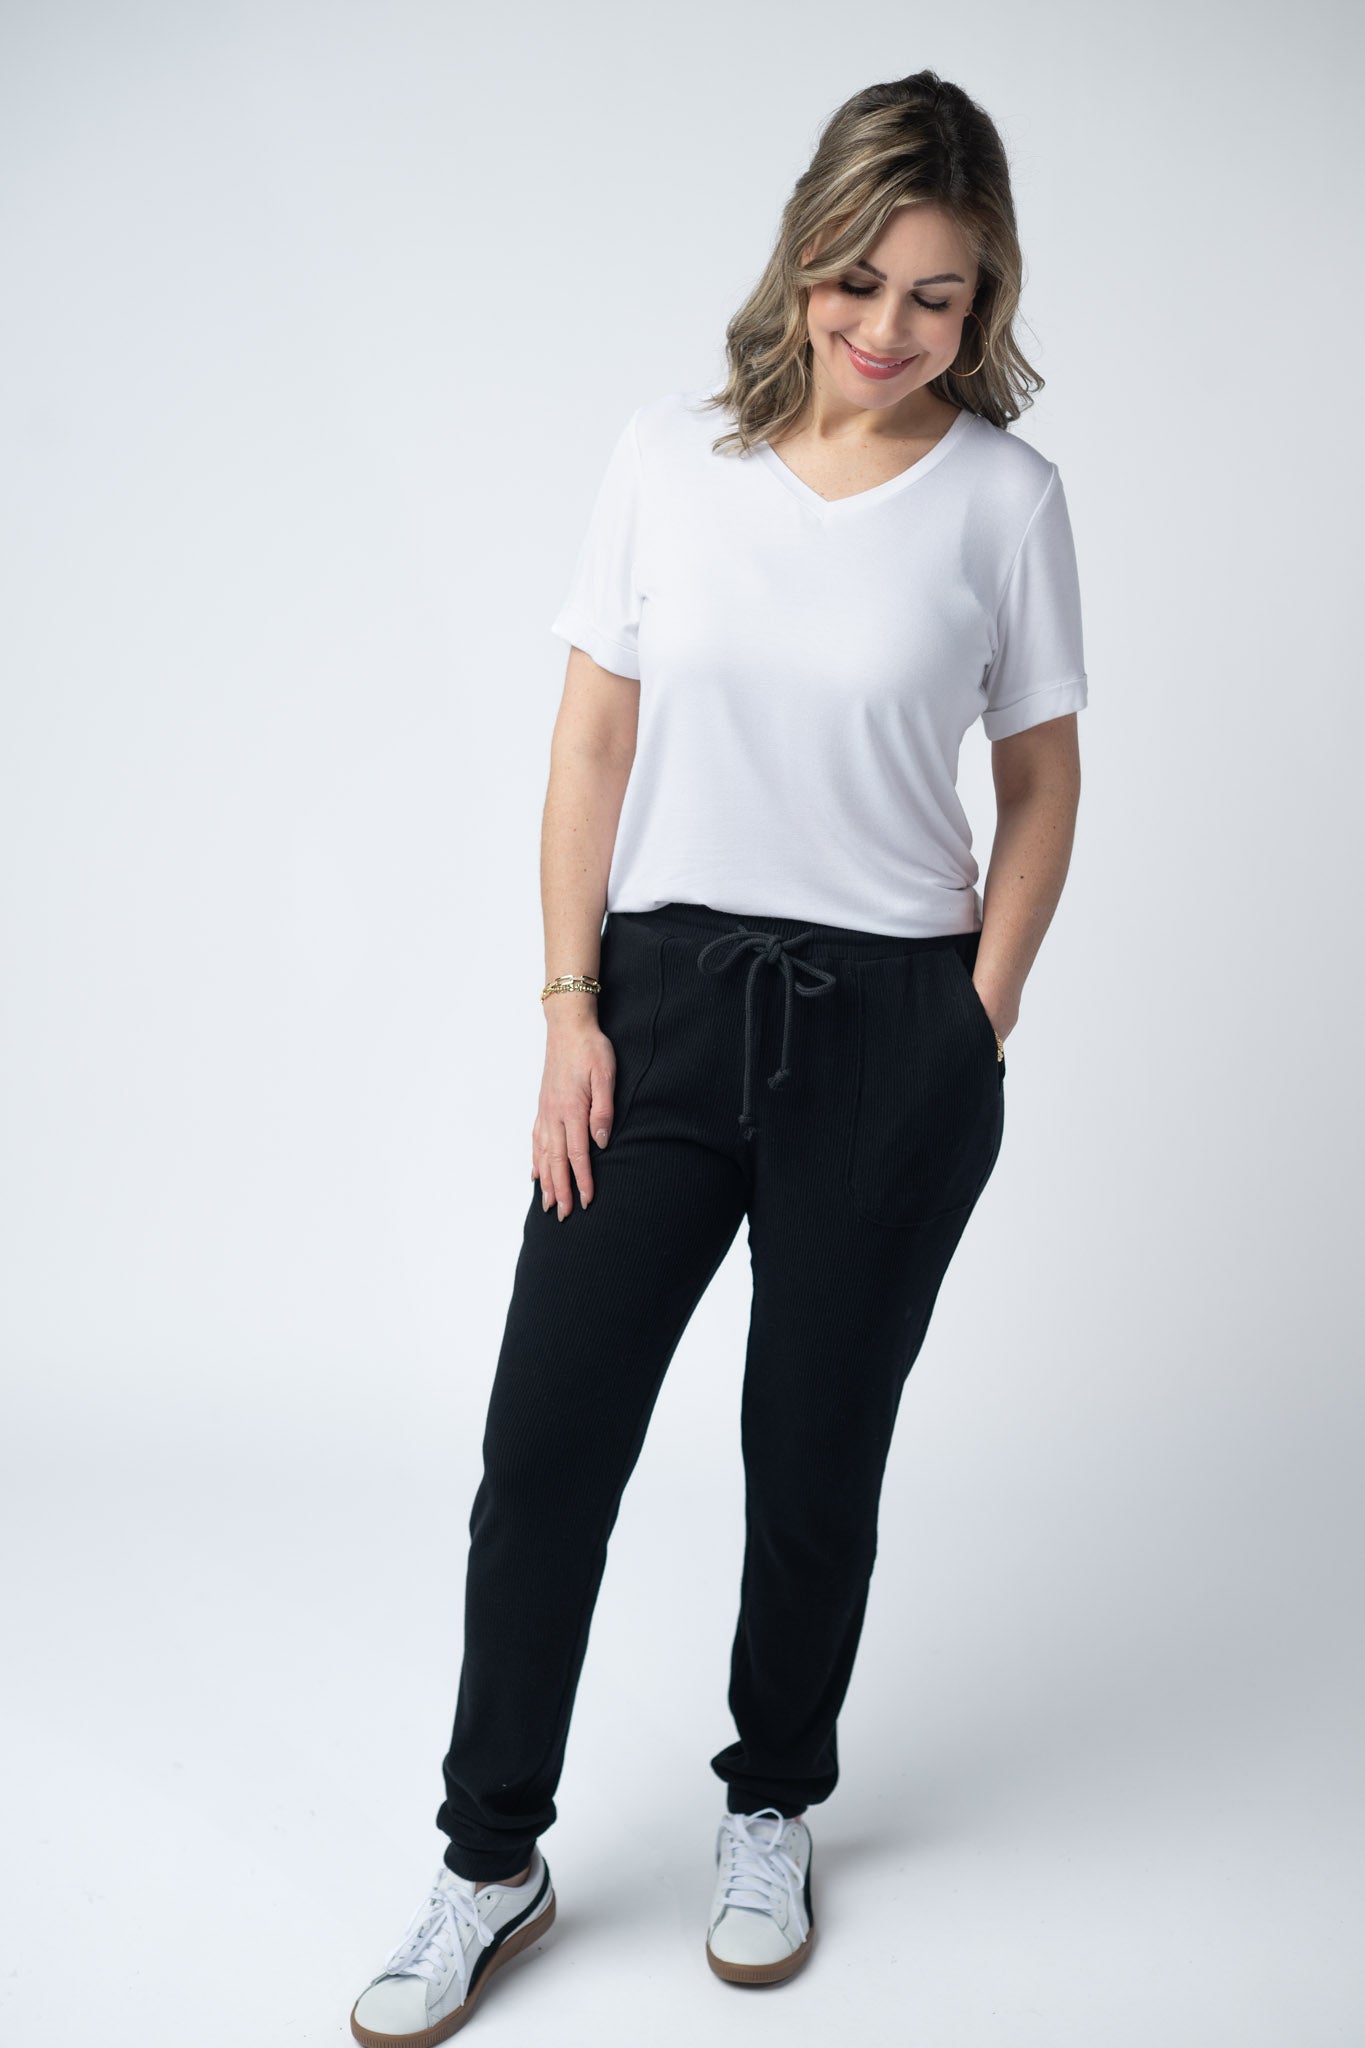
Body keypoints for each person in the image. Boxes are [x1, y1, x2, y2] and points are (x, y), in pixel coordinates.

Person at [350, 64, 1087, 2045]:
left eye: (934, 294)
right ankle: (488, 1858)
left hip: (889, 1030)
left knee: (811, 1459)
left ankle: (770, 1805)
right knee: (546, 1450)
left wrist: (975, 1019)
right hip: (658, 1010)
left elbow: (1038, 781)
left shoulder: (1004, 502)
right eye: (857, 279)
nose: (885, 327)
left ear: (982, 298)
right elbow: (590, 741)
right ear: (801, 256)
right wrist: (566, 1007)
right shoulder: (669, 458)